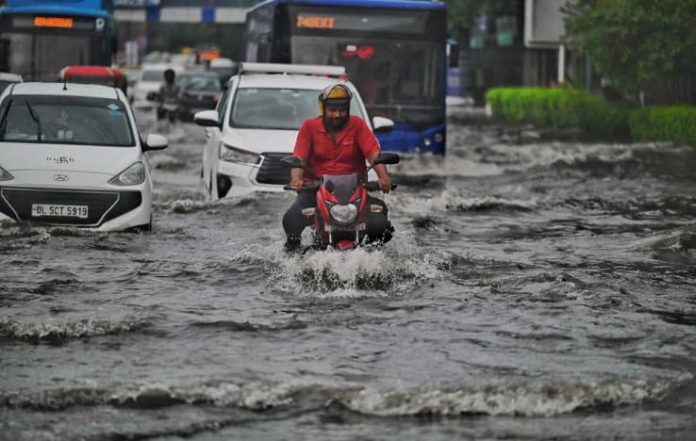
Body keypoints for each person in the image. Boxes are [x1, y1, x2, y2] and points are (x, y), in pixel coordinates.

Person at [282, 83, 394, 252]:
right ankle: (292, 255)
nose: (337, 114)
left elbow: (373, 154)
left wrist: (383, 177)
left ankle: (372, 254)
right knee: (291, 219)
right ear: (323, 109)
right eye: (332, 110)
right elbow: (299, 157)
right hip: (316, 189)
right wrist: (296, 179)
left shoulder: (357, 125)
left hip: (354, 191)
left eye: (342, 110)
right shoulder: (309, 127)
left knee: (380, 224)